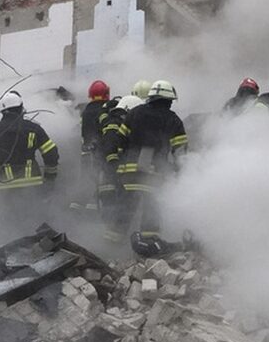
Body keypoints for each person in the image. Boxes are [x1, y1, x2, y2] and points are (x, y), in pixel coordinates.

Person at [105, 80, 188, 257]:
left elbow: (120, 141)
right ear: (166, 100)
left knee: (123, 211)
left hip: (129, 175)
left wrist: (117, 162)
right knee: (151, 212)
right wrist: (181, 172)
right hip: (154, 176)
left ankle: (110, 249)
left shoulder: (134, 113)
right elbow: (180, 152)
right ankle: (148, 250)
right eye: (170, 101)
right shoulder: (173, 120)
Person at [0, 91, 60, 237]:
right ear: (21, 108)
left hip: (3, 191)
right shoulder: (34, 128)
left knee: (7, 231)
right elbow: (51, 153)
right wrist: (50, 178)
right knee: (34, 227)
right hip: (32, 188)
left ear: (2, 111)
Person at [97, 93, 143, 244]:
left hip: (112, 176)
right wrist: (116, 169)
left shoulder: (117, 121)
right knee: (118, 211)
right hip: (111, 177)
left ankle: (112, 245)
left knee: (118, 211)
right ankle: (110, 247)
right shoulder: (115, 123)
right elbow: (110, 147)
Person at [78, 80, 117, 210]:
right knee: (103, 182)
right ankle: (99, 210)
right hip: (101, 151)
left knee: (88, 181)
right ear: (106, 93)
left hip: (86, 152)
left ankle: (81, 209)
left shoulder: (86, 111)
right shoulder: (106, 110)